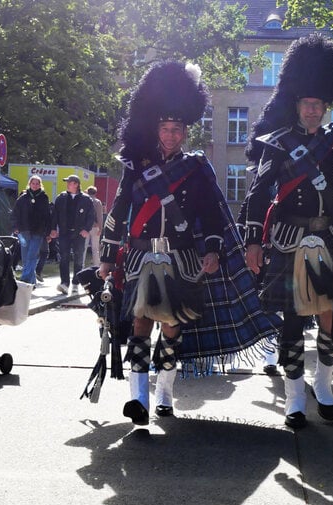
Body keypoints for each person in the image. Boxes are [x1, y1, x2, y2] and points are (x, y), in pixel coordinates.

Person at [99, 60, 280, 424]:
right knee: (138, 324)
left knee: (170, 327)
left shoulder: (196, 168)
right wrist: (107, 254)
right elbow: (120, 206)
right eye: (165, 128)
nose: (171, 135)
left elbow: (211, 214)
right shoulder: (135, 164)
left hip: (181, 258)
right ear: (156, 129)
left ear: (185, 131)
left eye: (177, 129)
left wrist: (212, 249)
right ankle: (139, 398)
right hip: (139, 257)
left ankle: (164, 389)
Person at [242, 33, 333, 429]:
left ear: (326, 105)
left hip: (329, 240)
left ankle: (324, 383)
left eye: (318, 104)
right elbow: (259, 192)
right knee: (294, 319)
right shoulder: (276, 143)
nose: (312, 110)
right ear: (296, 104)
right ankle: (295, 396)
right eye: (306, 103)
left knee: (332, 316)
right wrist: (252, 241)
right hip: (288, 239)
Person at [51, 174, 95, 294]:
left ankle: (76, 282)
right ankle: (64, 283)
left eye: (69, 182)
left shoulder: (86, 199)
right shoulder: (61, 198)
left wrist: (86, 229)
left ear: (76, 184)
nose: (67, 184)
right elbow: (55, 214)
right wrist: (53, 229)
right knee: (64, 258)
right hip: (64, 233)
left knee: (78, 259)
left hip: (79, 234)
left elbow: (91, 216)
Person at [11, 175, 51, 286]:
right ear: (29, 184)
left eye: (37, 184)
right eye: (33, 183)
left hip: (38, 231)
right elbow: (15, 213)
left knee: (32, 255)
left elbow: (47, 215)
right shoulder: (23, 198)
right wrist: (15, 227)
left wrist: (48, 232)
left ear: (40, 185)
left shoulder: (44, 198)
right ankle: (31, 282)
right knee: (25, 256)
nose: (35, 185)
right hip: (24, 231)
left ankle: (25, 280)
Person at [86, 186, 105, 267]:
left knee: (83, 247)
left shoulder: (85, 200)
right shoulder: (97, 202)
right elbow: (100, 216)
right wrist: (101, 228)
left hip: (85, 227)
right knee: (95, 249)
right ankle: (96, 266)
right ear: (95, 193)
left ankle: (81, 265)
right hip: (95, 226)